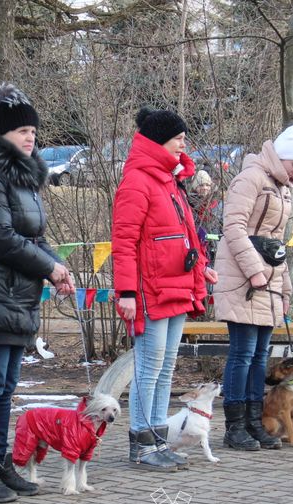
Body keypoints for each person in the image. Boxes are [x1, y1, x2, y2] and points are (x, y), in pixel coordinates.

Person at [0, 83, 74, 503]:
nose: (30, 137)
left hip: (17, 294)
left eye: (33, 132)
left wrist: (58, 268)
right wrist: (49, 267)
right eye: (22, 130)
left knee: (6, 386)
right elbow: (1, 237)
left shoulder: (24, 181)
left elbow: (35, 237)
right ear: (0, 133)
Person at [113, 107, 211, 469]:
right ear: (159, 141)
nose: (184, 144)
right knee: (149, 368)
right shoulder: (137, 182)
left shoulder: (169, 181)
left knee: (166, 367)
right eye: (178, 138)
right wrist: (126, 293)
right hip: (150, 292)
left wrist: (202, 269)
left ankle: (157, 438)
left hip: (177, 288)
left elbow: (185, 236)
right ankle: (142, 443)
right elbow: (123, 241)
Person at [214, 125, 293, 451]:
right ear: (282, 157)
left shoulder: (283, 188)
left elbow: (276, 244)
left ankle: (256, 421)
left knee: (259, 357)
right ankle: (235, 426)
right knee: (242, 355)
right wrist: (255, 271)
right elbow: (233, 227)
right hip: (242, 278)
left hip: (267, 282)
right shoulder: (250, 177)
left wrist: (284, 291)